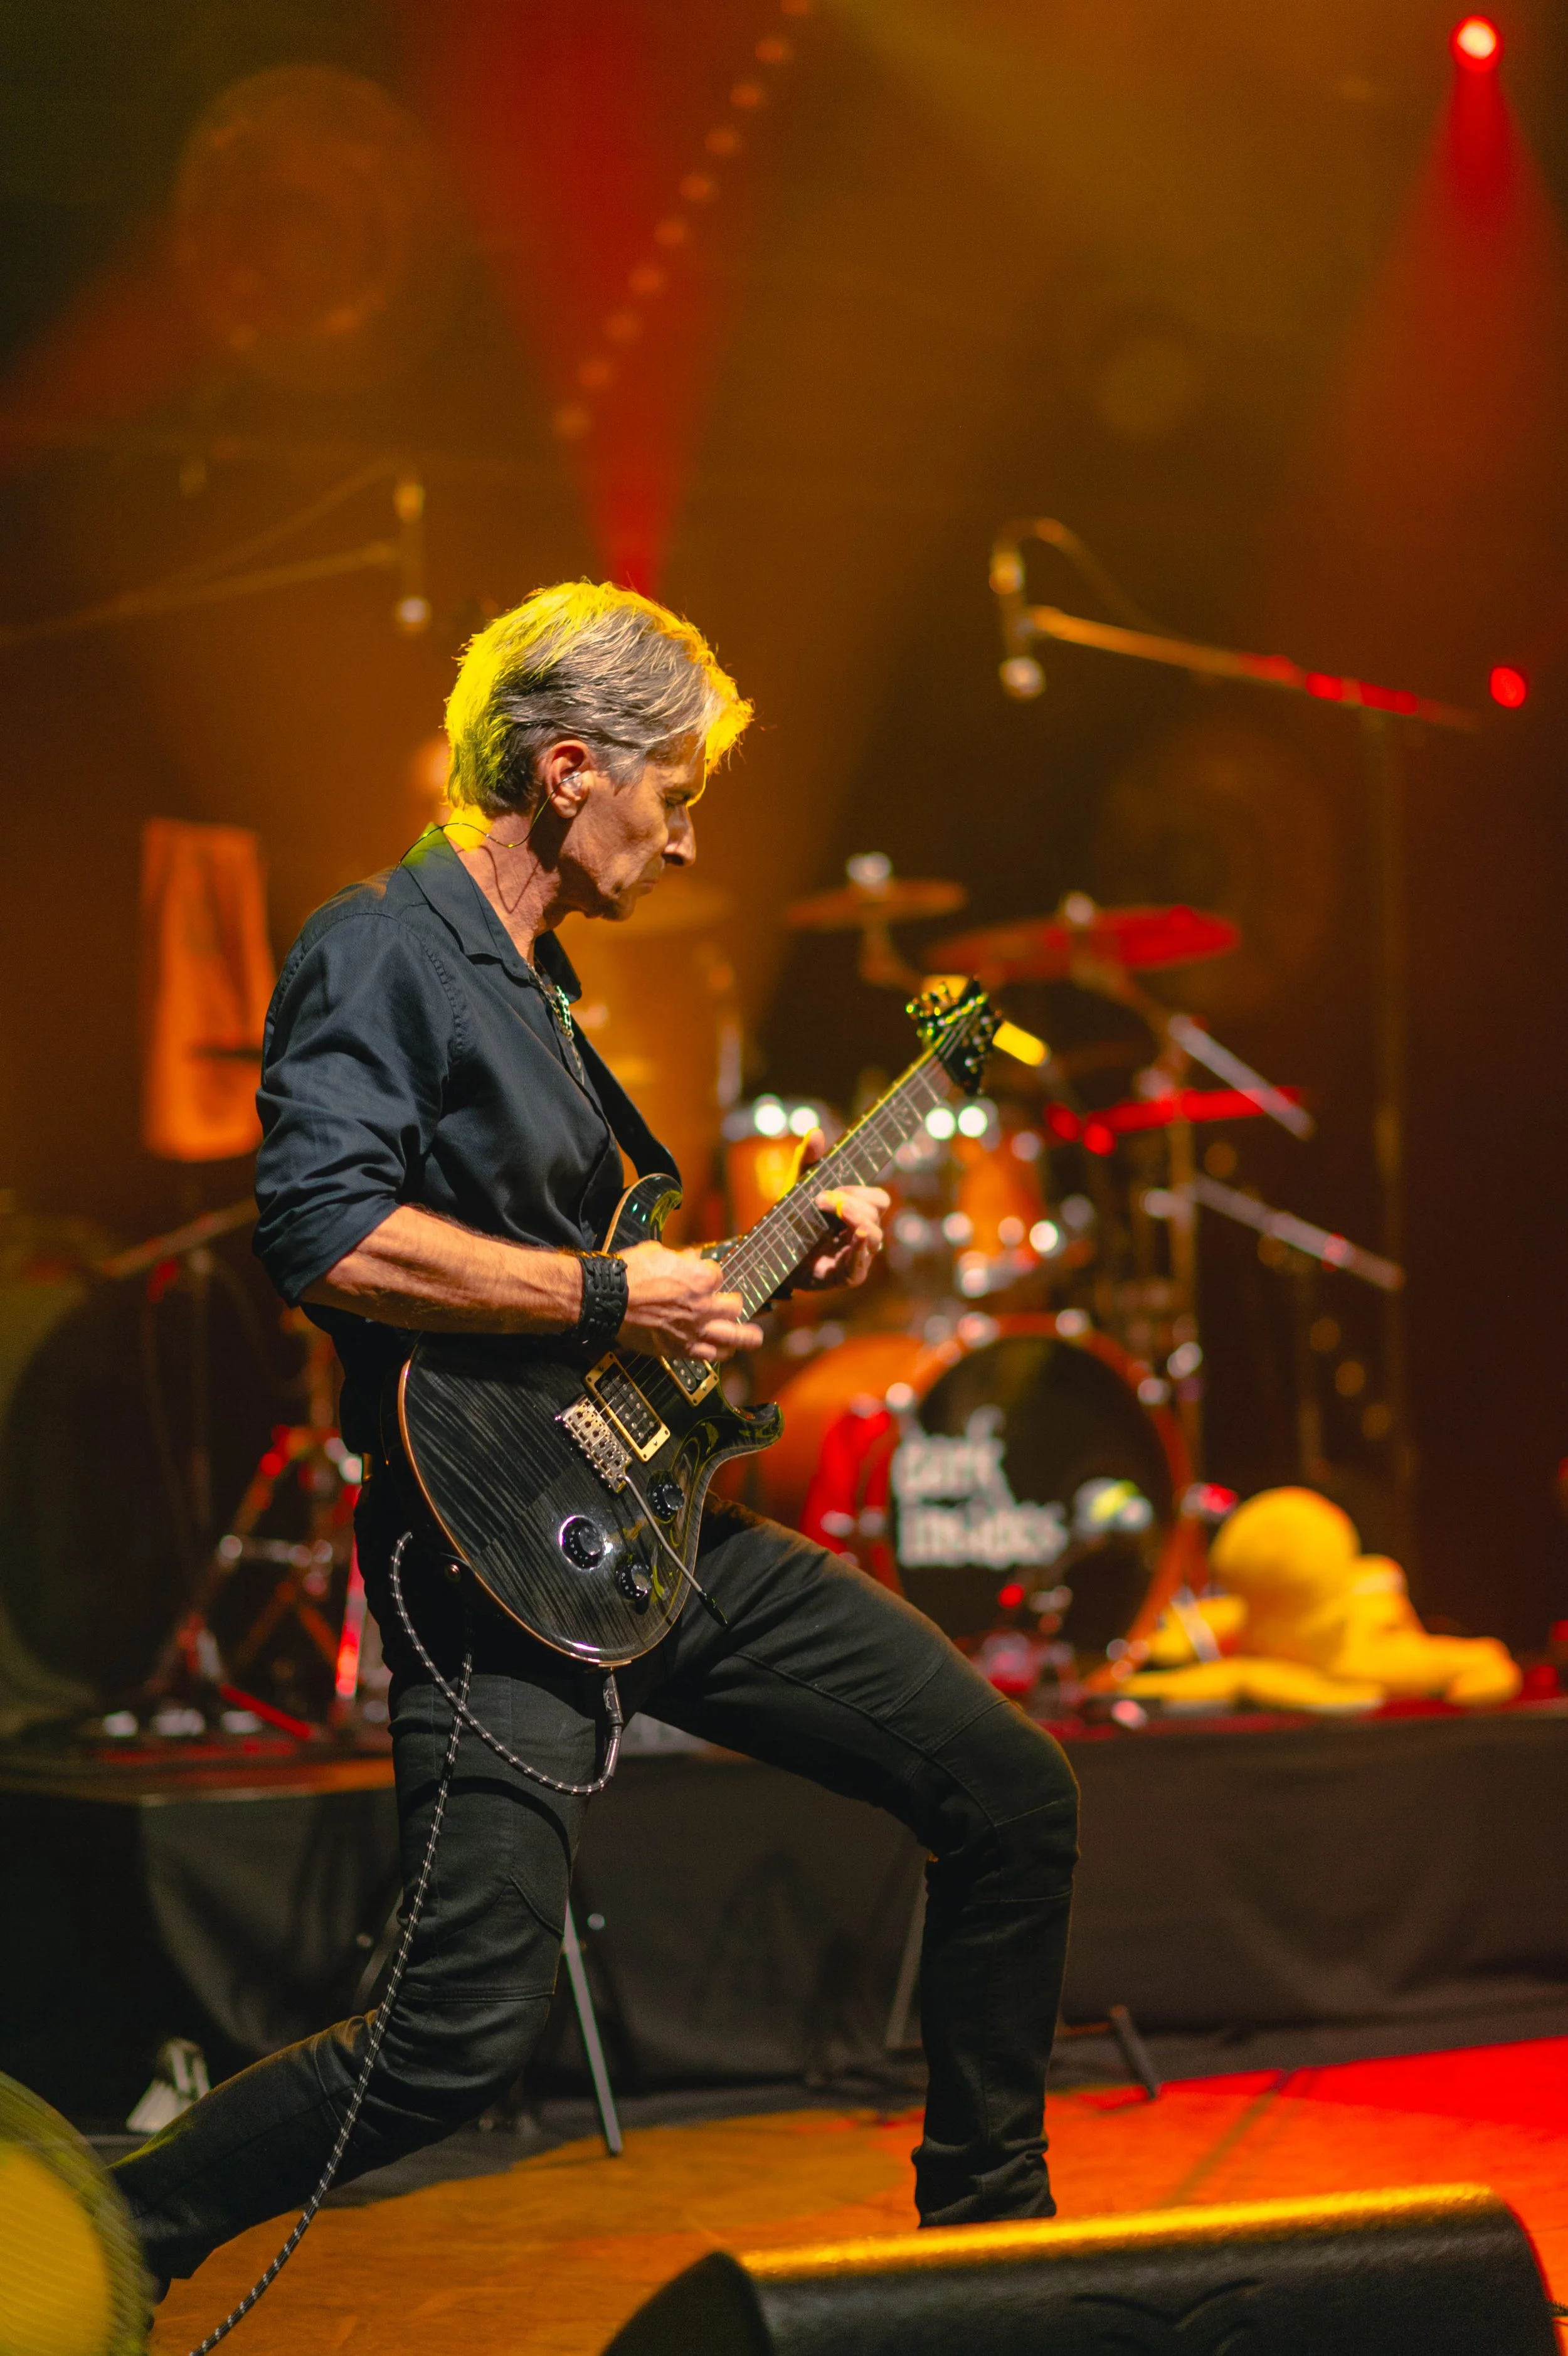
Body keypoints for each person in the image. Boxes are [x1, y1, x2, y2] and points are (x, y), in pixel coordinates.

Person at [115, 581, 1079, 2288]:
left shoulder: (539, 990)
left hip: (651, 1524)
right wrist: (608, 1297)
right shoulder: (380, 946)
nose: (689, 838)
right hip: (487, 1557)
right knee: (447, 2041)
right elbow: (326, 1233)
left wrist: (774, 1247)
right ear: (571, 768)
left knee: (1008, 1794)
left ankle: (991, 2260)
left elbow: (623, 1294)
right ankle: (113, 2231)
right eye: (677, 790)